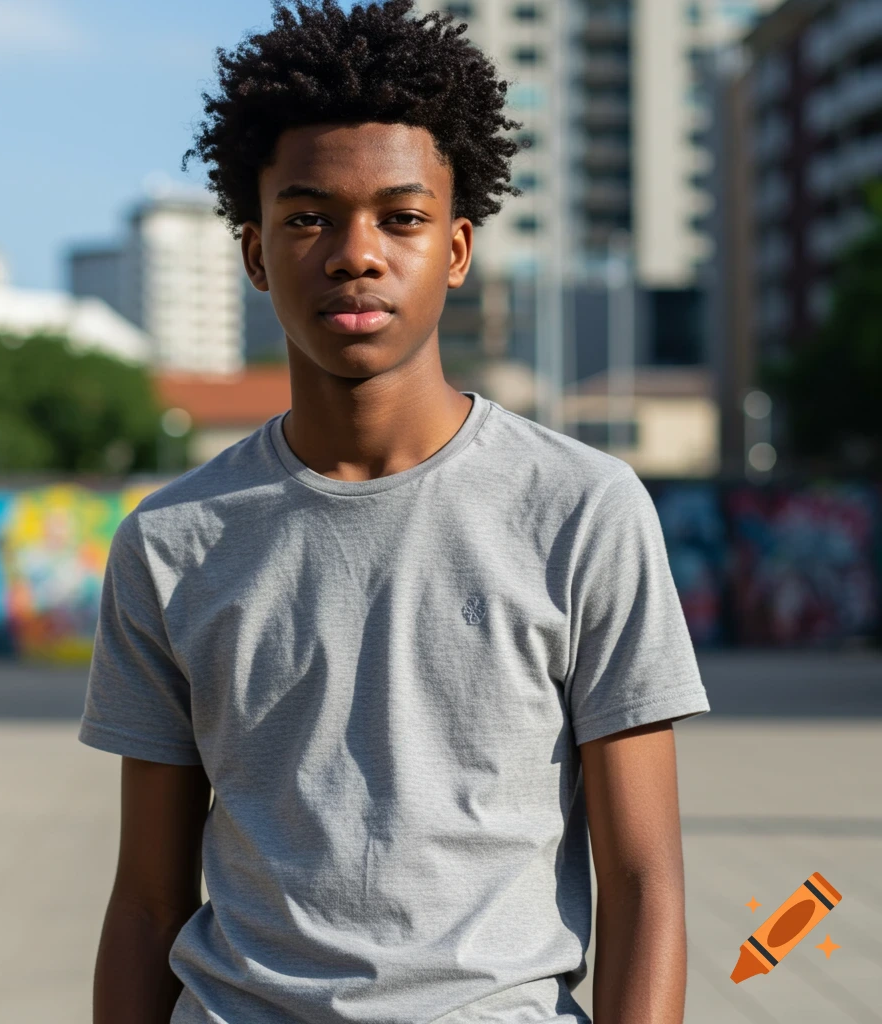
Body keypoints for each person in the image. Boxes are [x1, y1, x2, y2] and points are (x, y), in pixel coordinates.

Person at [79, 2, 711, 1022]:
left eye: (401, 218)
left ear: (456, 249)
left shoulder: (583, 509)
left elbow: (645, 883)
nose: (355, 254)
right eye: (308, 217)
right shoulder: (171, 542)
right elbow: (147, 903)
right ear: (254, 253)